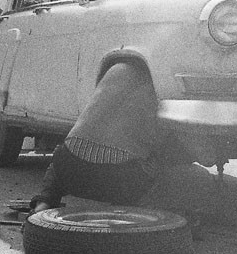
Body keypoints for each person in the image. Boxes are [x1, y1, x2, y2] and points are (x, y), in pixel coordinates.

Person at [30, 62, 162, 214]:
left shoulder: (115, 69)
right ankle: (123, 216)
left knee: (58, 161)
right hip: (118, 180)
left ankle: (42, 206)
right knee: (158, 170)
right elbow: (157, 141)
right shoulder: (157, 81)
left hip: (69, 170)